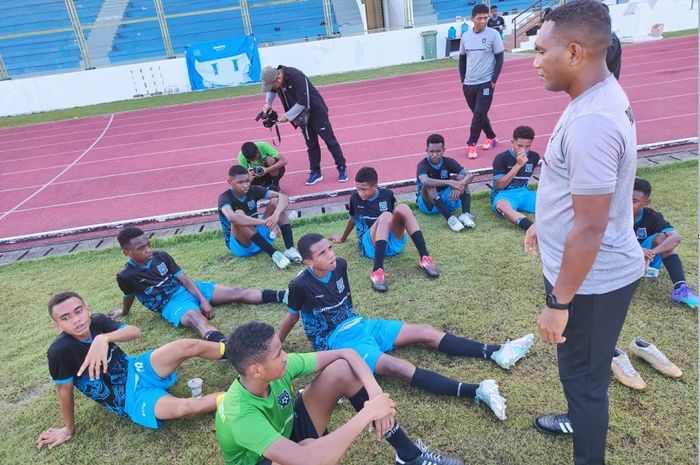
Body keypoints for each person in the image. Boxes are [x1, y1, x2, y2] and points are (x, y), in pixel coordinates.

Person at [526, 2, 645, 464]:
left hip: (591, 284)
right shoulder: (596, 96)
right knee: (580, 373)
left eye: (540, 51)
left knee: (584, 381)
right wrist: (546, 219)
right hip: (585, 275)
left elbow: (591, 227)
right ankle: (579, 414)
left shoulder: (591, 123)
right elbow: (584, 196)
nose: (535, 62)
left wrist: (558, 305)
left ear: (574, 52)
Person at [279, 233, 535, 421]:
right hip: (338, 342)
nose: (331, 254)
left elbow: (345, 301)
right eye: (322, 253)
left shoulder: (341, 265)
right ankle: (478, 390)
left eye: (330, 248)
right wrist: (277, 346)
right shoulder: (299, 285)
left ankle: (497, 352)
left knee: (424, 330)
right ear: (308, 262)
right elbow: (292, 318)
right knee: (396, 367)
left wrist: (359, 323)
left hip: (361, 324)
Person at [216, 322, 463, 465]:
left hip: (287, 429)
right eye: (278, 354)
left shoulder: (280, 368)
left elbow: (347, 353)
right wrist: (367, 414)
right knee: (310, 450)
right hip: (265, 459)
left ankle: (410, 457)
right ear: (256, 369)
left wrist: (375, 394)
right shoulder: (241, 414)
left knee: (342, 370)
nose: (285, 357)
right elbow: (305, 459)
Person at [37, 291, 224, 449]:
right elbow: (64, 392)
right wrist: (68, 429)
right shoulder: (59, 351)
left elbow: (135, 331)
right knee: (184, 408)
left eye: (78, 311)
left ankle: (237, 353)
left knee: (186, 345)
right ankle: (237, 395)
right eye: (65, 318)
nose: (76, 320)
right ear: (57, 325)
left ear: (88, 309)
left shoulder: (98, 321)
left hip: (137, 369)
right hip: (129, 398)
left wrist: (103, 338)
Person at [111, 226, 287, 343]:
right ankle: (226, 348)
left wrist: (203, 300)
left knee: (237, 291)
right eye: (141, 248)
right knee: (197, 320)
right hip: (171, 304)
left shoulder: (161, 256)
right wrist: (124, 312)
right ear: (127, 253)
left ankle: (284, 296)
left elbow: (185, 280)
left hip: (187, 289)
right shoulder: (126, 276)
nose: (148, 249)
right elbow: (129, 296)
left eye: (148, 244)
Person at [330, 166, 439, 292]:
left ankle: (425, 258)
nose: (360, 192)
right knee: (386, 215)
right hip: (369, 246)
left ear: (375, 186)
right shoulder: (355, 198)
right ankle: (377, 271)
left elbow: (394, 220)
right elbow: (353, 219)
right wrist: (343, 238)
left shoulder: (387, 195)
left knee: (403, 208)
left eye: (364, 189)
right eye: (358, 188)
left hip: (392, 245)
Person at [260, 65, 348, 186]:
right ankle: (315, 172)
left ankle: (342, 167)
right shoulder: (275, 79)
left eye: (272, 85)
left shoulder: (296, 76)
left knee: (330, 141)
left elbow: (303, 101)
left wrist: (287, 116)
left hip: (316, 111)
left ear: (278, 79)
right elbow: (272, 90)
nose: (272, 88)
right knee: (311, 144)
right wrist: (268, 104)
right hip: (301, 116)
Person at [218, 164, 303, 269]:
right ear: (230, 182)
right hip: (242, 246)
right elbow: (232, 218)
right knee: (239, 214)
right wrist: (265, 222)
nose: (245, 185)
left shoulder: (254, 189)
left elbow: (283, 197)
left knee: (276, 201)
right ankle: (274, 254)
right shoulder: (224, 197)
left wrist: (275, 216)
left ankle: (290, 249)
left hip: (258, 235)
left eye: (247, 181)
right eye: (240, 182)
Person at [632, 177, 698, 307]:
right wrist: (638, 251)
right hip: (621, 257)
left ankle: (680, 288)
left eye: (634, 201)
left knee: (662, 237)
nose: (628, 205)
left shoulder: (652, 216)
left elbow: (675, 238)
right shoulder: (613, 213)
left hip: (646, 259)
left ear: (646, 202)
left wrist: (650, 253)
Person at [459, 3, 505, 159]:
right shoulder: (465, 37)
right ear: (473, 19)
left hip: (486, 82)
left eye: (486, 18)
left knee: (478, 114)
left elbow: (499, 58)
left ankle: (471, 144)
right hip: (469, 84)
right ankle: (491, 137)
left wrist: (493, 80)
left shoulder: (493, 35)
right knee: (480, 114)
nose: (484, 21)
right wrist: (462, 80)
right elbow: (462, 60)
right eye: (480, 18)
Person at [416, 134, 476, 232]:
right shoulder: (422, 165)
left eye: (438, 151)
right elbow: (425, 181)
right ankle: (450, 219)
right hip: (429, 204)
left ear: (443, 150)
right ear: (426, 150)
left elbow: (470, 175)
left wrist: (460, 185)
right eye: (431, 151)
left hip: (446, 198)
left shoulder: (449, 161)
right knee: (428, 185)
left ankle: (466, 215)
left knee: (461, 177)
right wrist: (449, 182)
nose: (434, 154)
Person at [490, 126, 540, 231]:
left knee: (553, 199)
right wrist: (518, 165)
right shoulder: (501, 158)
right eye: (520, 146)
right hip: (503, 195)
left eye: (527, 146)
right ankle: (531, 228)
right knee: (503, 206)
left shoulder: (534, 157)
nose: (524, 150)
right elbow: (500, 185)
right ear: (512, 142)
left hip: (525, 193)